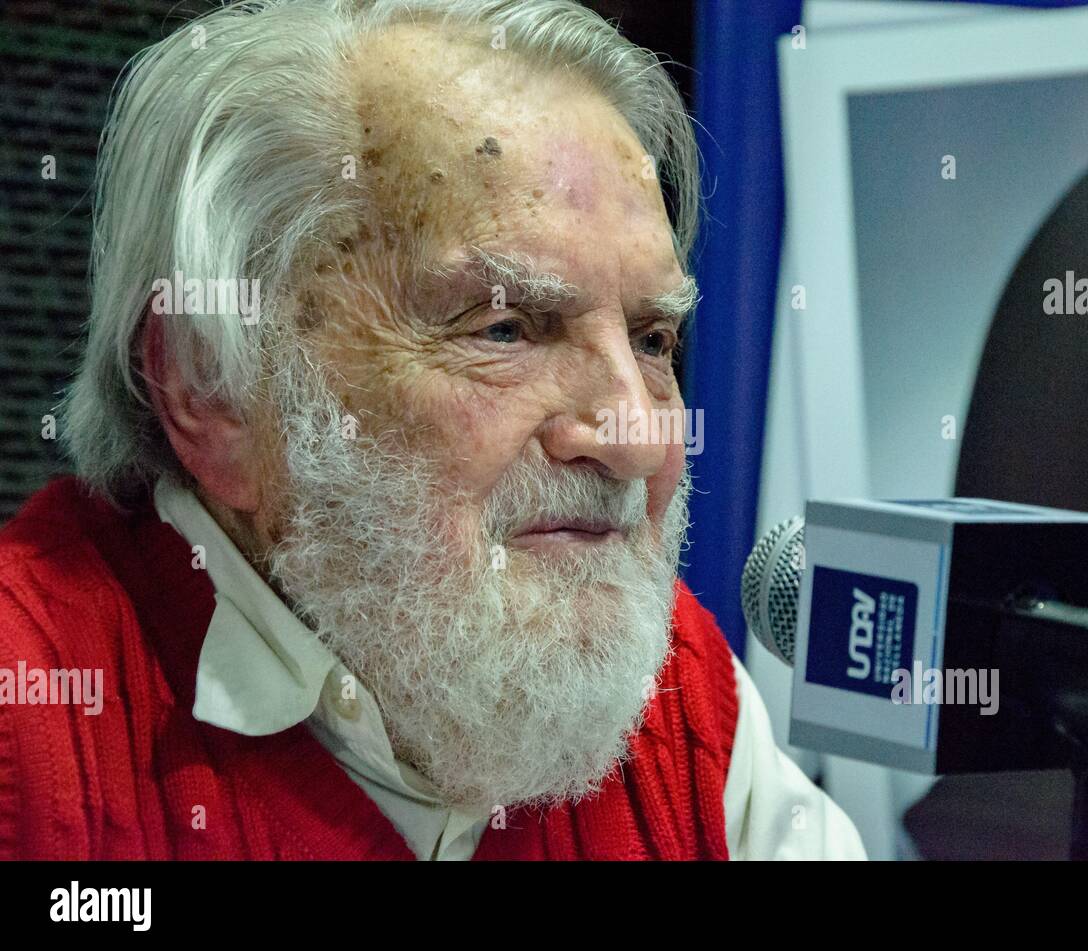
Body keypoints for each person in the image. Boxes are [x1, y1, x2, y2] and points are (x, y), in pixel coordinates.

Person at [0, 0, 865, 860]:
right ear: (212, 386)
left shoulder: (681, 705)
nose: (638, 438)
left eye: (652, 339)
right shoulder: (32, 727)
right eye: (504, 329)